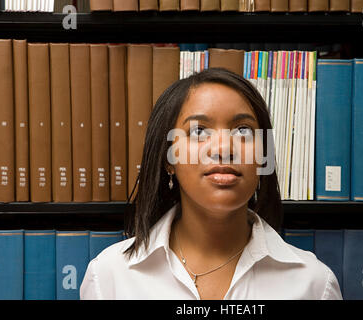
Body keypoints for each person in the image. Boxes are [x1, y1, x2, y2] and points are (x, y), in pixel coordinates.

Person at [80, 67, 342, 300]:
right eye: (198, 131)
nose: (224, 148)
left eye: (243, 131)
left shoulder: (315, 285)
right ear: (169, 158)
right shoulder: (109, 277)